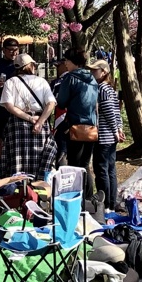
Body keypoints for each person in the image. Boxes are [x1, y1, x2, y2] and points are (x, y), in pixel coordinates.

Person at [0, 53, 57, 180]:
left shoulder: (10, 82)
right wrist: (40, 122)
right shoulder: (41, 81)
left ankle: (17, 188)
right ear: (30, 66)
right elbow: (51, 103)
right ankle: (39, 186)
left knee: (17, 158)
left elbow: (9, 106)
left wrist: (29, 118)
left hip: (17, 124)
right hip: (40, 123)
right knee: (40, 158)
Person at [54, 49, 99, 196]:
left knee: (74, 165)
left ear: (73, 61)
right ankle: (89, 198)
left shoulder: (70, 78)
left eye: (66, 60)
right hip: (91, 127)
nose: (65, 63)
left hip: (74, 125)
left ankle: (75, 198)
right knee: (85, 164)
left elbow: (61, 102)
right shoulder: (92, 78)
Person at [90, 59, 124, 213]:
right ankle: (111, 202)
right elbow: (117, 112)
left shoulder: (102, 88)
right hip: (111, 135)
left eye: (95, 70)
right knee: (110, 169)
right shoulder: (110, 88)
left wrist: (116, 129)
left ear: (103, 72)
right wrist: (119, 128)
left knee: (102, 169)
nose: (92, 72)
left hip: (104, 136)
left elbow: (110, 111)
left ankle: (106, 204)